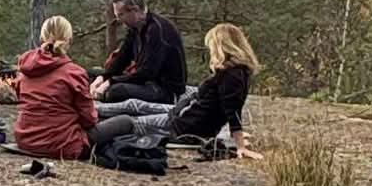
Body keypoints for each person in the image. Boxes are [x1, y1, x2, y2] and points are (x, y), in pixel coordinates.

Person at [93, 22, 260, 164]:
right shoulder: (234, 72)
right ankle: (93, 109)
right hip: (182, 114)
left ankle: (92, 126)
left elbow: (232, 110)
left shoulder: (233, 76)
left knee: (131, 122)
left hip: (182, 126)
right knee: (135, 105)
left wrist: (240, 145)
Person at [14, 16, 97, 161]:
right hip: (62, 145)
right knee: (124, 122)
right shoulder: (74, 73)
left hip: (25, 141)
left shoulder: (25, 71)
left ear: (42, 38)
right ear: (69, 40)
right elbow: (88, 119)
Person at [96, 0, 186, 105]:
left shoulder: (157, 30)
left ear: (135, 10)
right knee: (91, 75)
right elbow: (122, 59)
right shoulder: (135, 28)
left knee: (115, 91)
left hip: (164, 89)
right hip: (146, 83)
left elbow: (147, 72)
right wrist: (103, 77)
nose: (118, 19)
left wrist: (110, 82)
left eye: (121, 14)